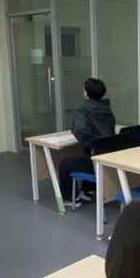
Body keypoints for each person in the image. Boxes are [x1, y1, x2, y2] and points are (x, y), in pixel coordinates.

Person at [58, 77, 115, 207]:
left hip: (95, 161)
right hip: (108, 158)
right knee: (87, 155)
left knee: (65, 164)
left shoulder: (82, 112)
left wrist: (93, 143)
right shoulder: (107, 110)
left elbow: (80, 130)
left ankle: (69, 199)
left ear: (86, 93)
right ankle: (87, 191)